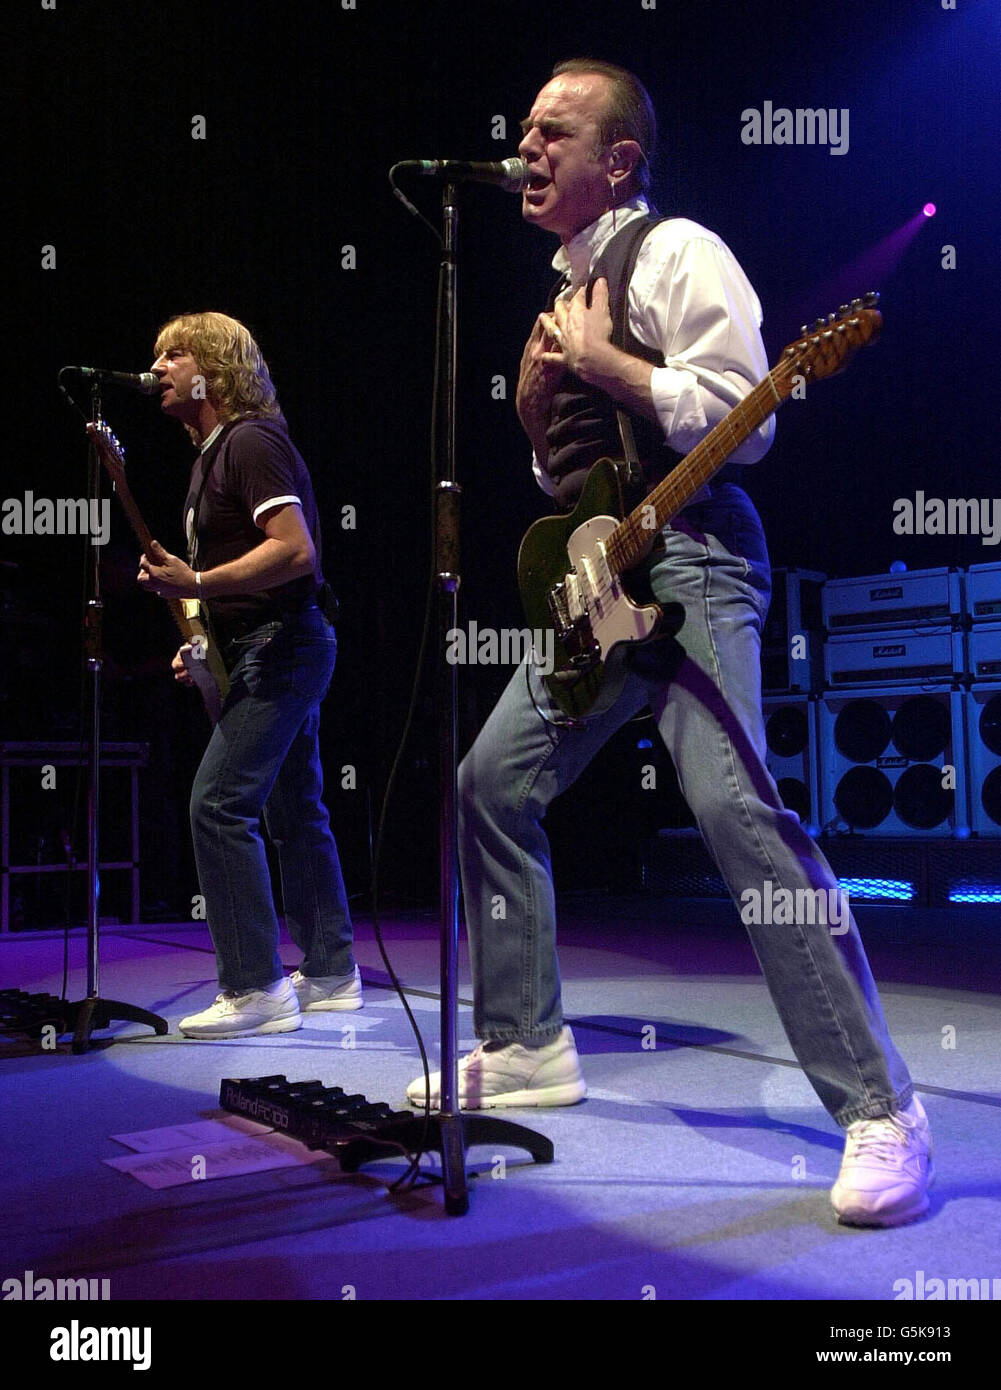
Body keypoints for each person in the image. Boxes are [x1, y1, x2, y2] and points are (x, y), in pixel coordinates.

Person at [408, 61, 932, 1227]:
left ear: (619, 162)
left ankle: (882, 1108)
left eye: (554, 131)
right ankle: (526, 1040)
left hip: (697, 554)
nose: (526, 146)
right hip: (606, 575)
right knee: (488, 782)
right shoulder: (560, 297)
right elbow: (571, 478)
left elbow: (747, 412)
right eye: (524, 130)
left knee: (735, 808)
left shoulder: (676, 250)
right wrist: (546, 419)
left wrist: (605, 367)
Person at [137, 311, 361, 1037]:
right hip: (266, 643)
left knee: (217, 804)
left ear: (216, 368)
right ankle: (329, 969)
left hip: (284, 646)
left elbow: (295, 551)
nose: (160, 366)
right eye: (158, 354)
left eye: (176, 353)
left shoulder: (251, 440)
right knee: (295, 808)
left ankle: (256, 988)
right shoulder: (211, 454)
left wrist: (195, 582)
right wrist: (202, 640)